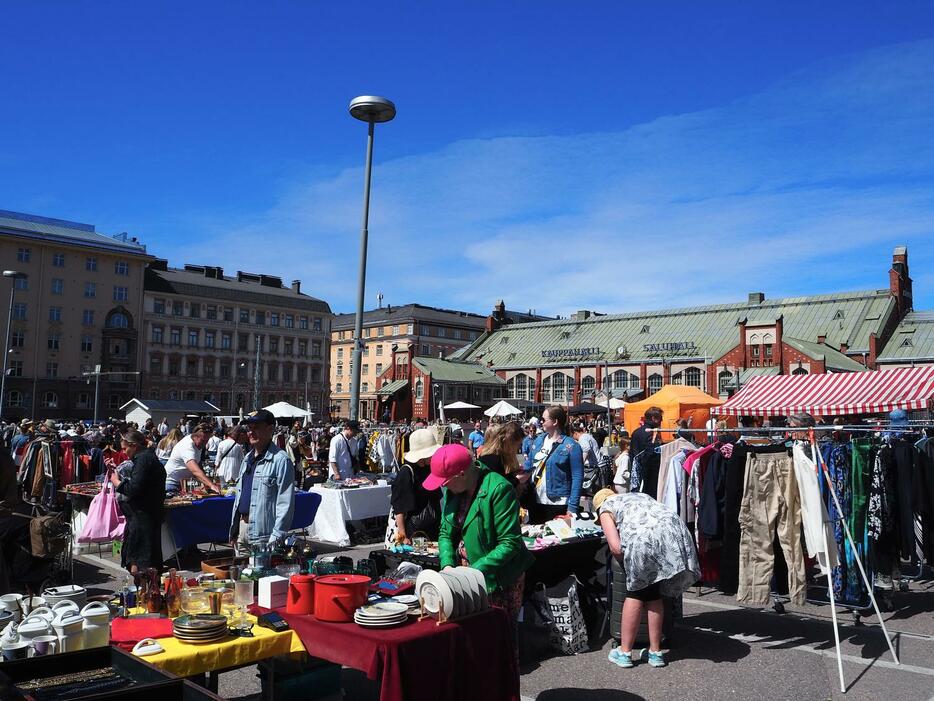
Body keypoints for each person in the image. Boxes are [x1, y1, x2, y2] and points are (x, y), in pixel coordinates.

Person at [429, 443, 533, 627]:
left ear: (461, 474)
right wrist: (447, 565)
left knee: (499, 638)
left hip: (498, 578)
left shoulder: (499, 489)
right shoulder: (454, 489)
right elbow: (445, 532)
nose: (442, 487)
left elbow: (510, 543)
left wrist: (472, 573)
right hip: (465, 576)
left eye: (444, 481)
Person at [594, 488, 700, 669]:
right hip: (674, 532)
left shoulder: (606, 508)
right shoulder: (640, 496)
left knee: (635, 594)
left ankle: (625, 653)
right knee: (653, 594)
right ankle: (655, 652)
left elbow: (615, 547)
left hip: (644, 539)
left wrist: (629, 567)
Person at [229, 409, 295, 553]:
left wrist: (277, 535)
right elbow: (239, 497)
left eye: (256, 428)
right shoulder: (247, 458)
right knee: (242, 575)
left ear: (270, 429)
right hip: (243, 531)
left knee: (261, 574)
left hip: (264, 534)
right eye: (249, 428)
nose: (251, 432)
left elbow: (286, 504)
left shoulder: (281, 460)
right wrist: (234, 528)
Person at [110, 431, 166, 574]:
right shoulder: (147, 458)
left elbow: (134, 489)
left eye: (125, 448)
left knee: (141, 561)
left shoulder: (143, 460)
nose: (124, 452)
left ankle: (144, 591)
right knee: (143, 558)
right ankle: (145, 590)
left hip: (143, 516)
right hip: (147, 514)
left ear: (133, 446)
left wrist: (117, 482)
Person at [519, 405, 585, 523]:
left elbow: (577, 478)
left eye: (544, 420)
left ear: (555, 422)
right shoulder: (538, 441)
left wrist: (572, 508)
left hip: (558, 503)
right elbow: (529, 465)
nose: (541, 422)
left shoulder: (571, 446)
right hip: (536, 500)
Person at [389, 428, 443, 544]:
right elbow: (399, 508)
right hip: (413, 531)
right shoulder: (406, 472)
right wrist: (403, 536)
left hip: (432, 528)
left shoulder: (430, 468)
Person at [164, 423, 219, 493]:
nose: (205, 443)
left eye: (207, 440)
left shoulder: (199, 444)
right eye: (203, 440)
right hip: (172, 483)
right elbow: (195, 470)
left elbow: (198, 464)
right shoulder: (187, 446)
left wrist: (206, 481)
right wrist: (211, 485)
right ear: (195, 436)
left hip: (184, 483)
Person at [478, 421, 524, 490]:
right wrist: (517, 481)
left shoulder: (494, 456)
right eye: (518, 445)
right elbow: (499, 485)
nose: (518, 448)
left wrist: (513, 474)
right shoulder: (494, 459)